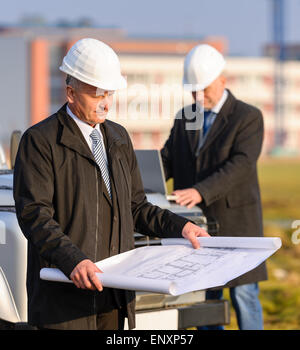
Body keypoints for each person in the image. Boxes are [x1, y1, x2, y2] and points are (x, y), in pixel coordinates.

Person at [13, 38, 209, 331]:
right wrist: (73, 261)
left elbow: (137, 207)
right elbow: (35, 215)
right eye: (96, 95)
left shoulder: (118, 138)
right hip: (66, 300)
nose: (105, 102)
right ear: (70, 93)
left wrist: (180, 226)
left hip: (114, 296)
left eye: (109, 93)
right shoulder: (40, 142)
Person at [161, 44, 267, 330]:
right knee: (205, 299)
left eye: (204, 89)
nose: (198, 96)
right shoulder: (186, 117)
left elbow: (241, 165)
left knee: (244, 295)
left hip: (237, 223)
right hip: (198, 226)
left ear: (223, 79)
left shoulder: (248, 117)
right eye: (193, 90)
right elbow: (168, 159)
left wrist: (199, 191)